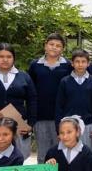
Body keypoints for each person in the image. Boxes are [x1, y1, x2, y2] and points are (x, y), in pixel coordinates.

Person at [0, 43, 37, 158]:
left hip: (18, 125)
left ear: (14, 58)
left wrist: (30, 124)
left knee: (17, 158)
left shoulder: (24, 77)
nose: (5, 60)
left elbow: (32, 100)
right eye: (1, 56)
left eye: (9, 57)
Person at [28, 33, 73, 163]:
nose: (54, 47)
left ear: (63, 49)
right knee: (43, 153)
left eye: (58, 46)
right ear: (45, 46)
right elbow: (31, 92)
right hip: (40, 116)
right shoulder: (35, 65)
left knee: (63, 152)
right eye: (51, 44)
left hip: (62, 117)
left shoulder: (68, 66)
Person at [55, 49, 92, 149]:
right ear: (72, 63)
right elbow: (59, 106)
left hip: (87, 125)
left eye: (83, 62)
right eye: (77, 61)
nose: (80, 64)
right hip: (68, 126)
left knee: (86, 154)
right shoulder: (65, 81)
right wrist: (58, 129)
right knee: (68, 155)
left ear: (88, 63)